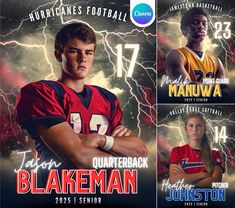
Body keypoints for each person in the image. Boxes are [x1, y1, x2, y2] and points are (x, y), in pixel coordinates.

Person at [15, 22, 147, 169]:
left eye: (88, 52)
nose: (82, 58)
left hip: (107, 190)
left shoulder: (107, 99)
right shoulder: (41, 93)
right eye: (74, 51)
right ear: (59, 55)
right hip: (62, 190)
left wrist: (101, 140)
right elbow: (79, 157)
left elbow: (140, 151)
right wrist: (122, 157)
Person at [166, 8, 225, 82]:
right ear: (184, 29)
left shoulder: (217, 62)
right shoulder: (176, 55)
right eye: (195, 22)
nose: (201, 26)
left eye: (204, 23)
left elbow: (226, 91)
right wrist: (216, 86)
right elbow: (187, 88)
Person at [168, 113, 224, 187]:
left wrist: (185, 178)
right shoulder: (177, 151)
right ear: (186, 129)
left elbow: (215, 183)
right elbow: (174, 180)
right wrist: (204, 175)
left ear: (204, 129)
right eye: (191, 126)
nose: (195, 129)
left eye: (199, 126)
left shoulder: (214, 154)